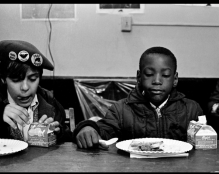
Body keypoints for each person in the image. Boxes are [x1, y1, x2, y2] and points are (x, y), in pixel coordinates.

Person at [73, 46, 203, 149]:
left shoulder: (191, 109)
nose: (157, 81)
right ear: (139, 77)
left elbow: (205, 145)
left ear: (175, 79)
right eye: (149, 74)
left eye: (165, 75)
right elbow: (103, 131)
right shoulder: (121, 110)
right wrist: (88, 127)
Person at [0, 40, 72, 143]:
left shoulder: (49, 101)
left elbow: (68, 137)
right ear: (3, 79)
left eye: (32, 79)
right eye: (16, 80)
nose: (25, 87)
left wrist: (57, 133)